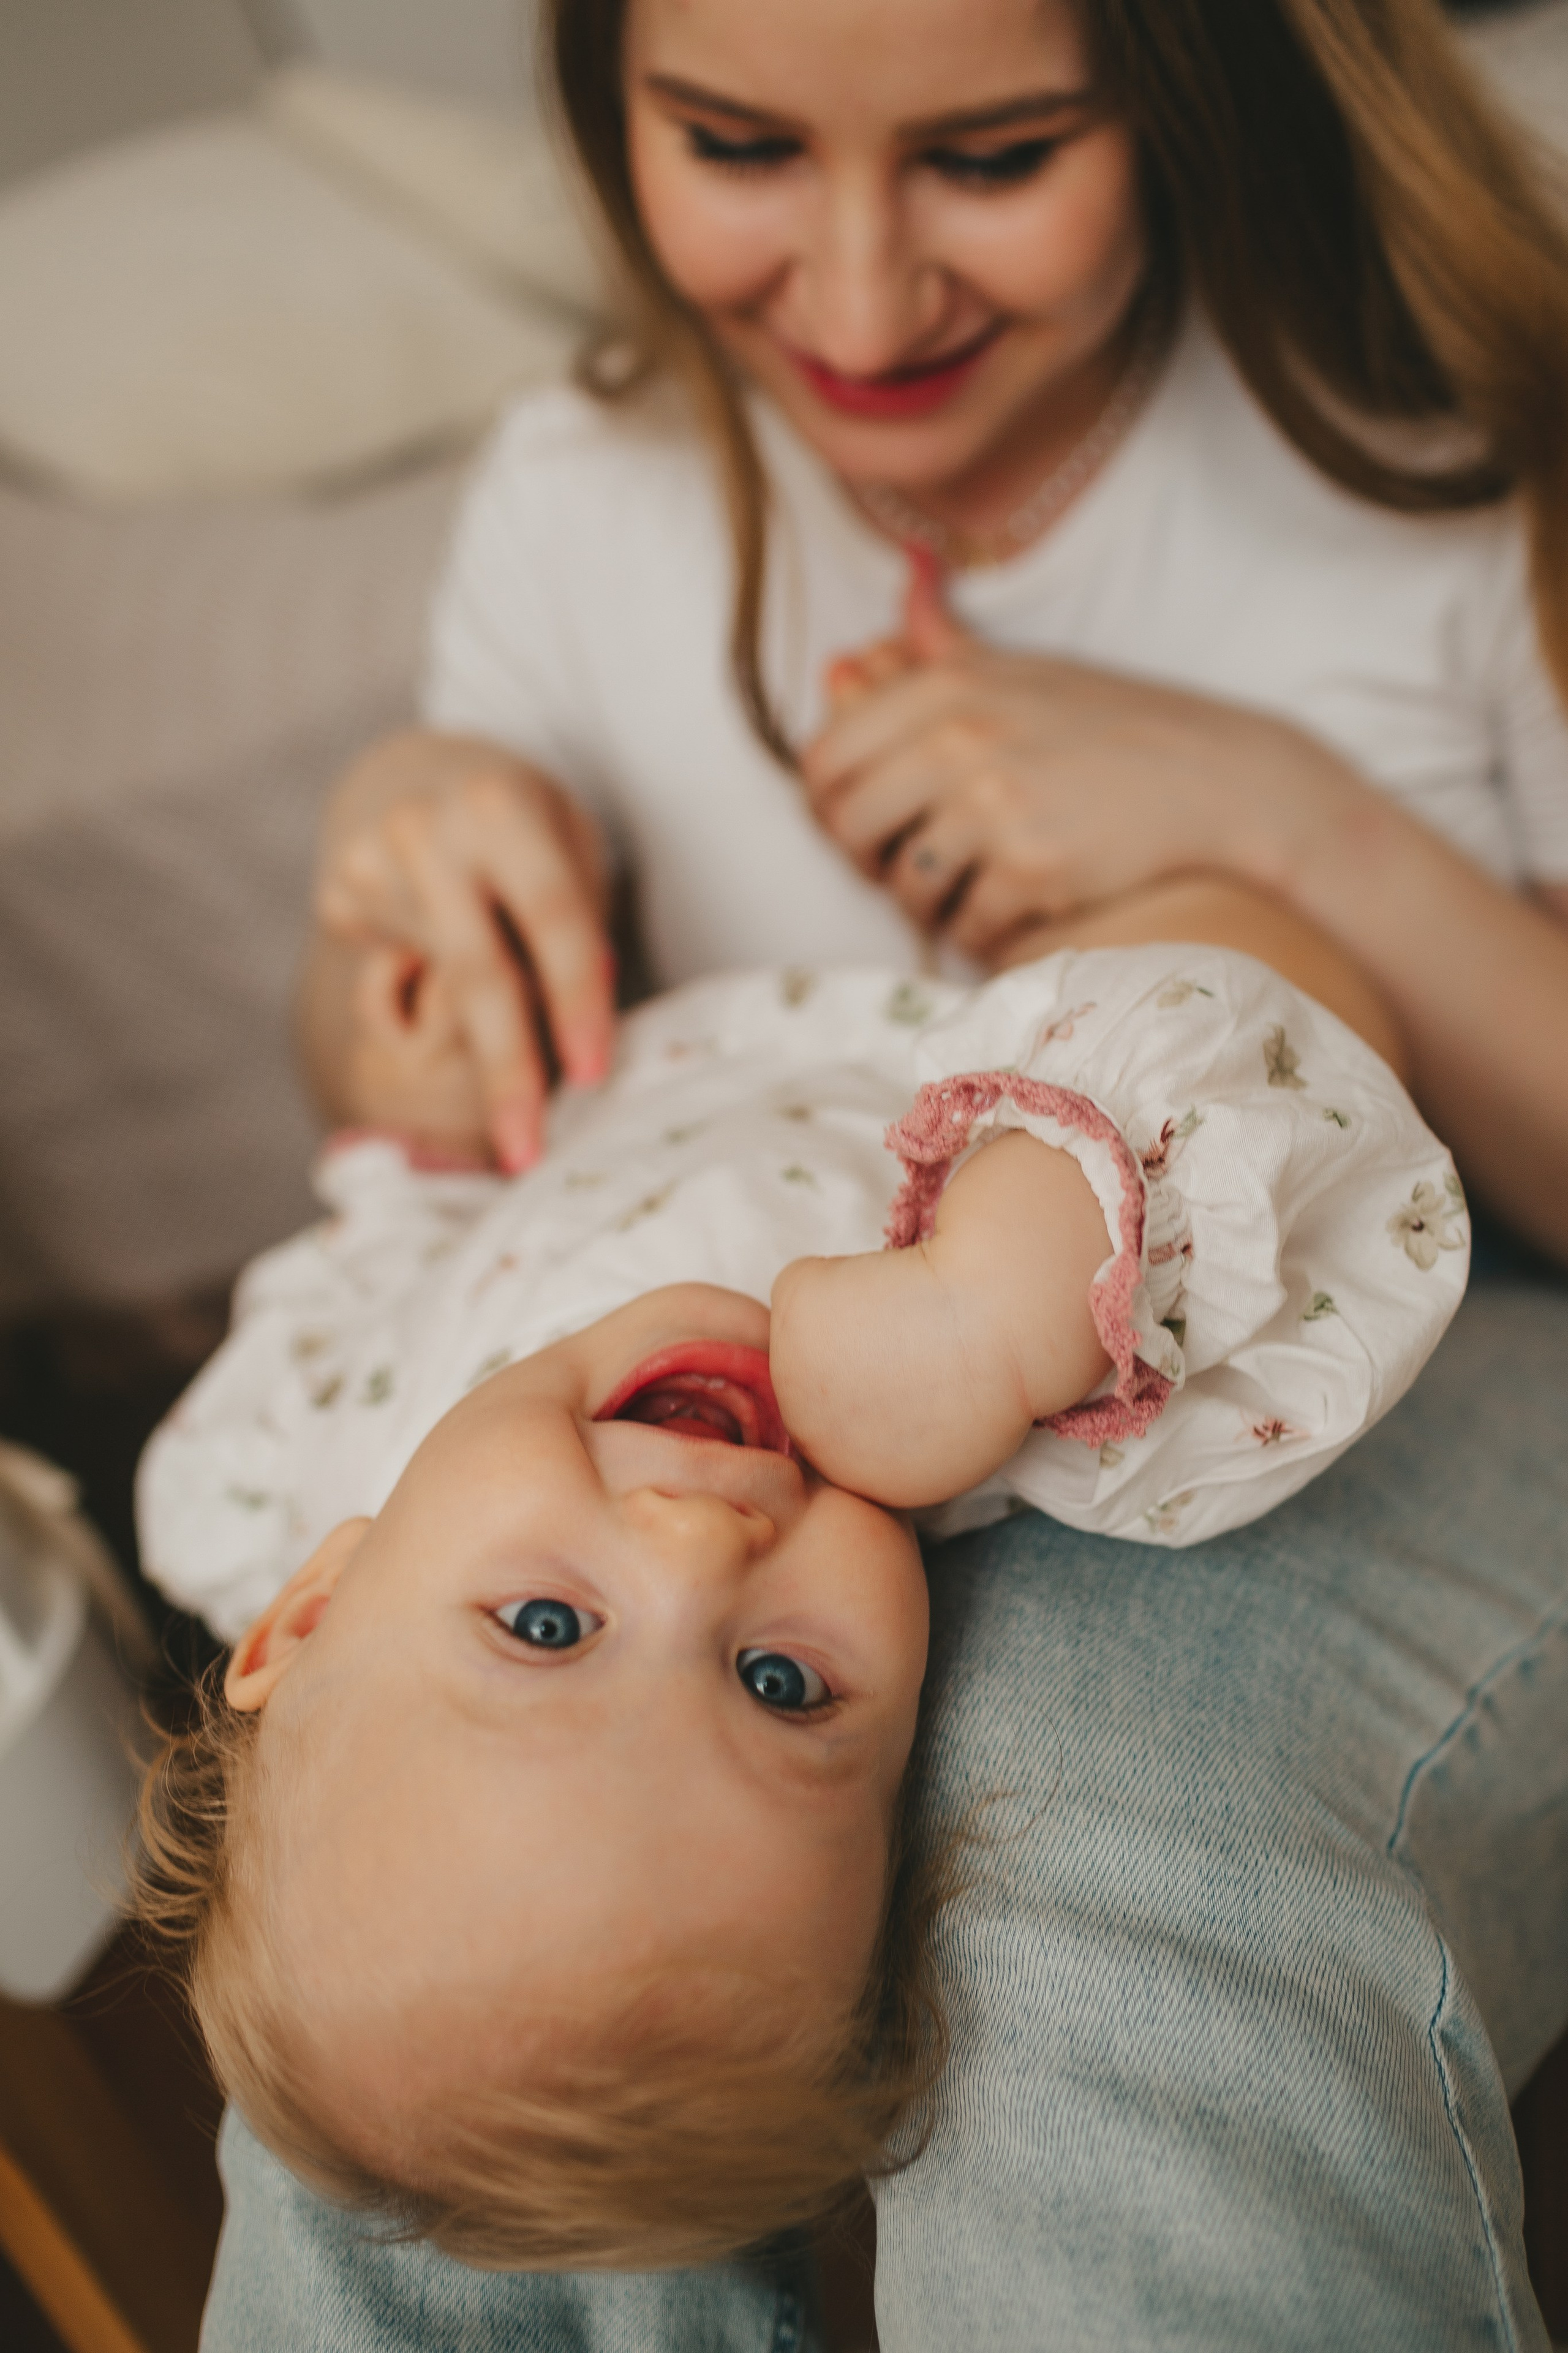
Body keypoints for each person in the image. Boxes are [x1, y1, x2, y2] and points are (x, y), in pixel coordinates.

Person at [195, 0, 1568, 2341]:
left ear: (1204, 81)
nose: (853, 299)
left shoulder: (1460, 473)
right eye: (733, 141)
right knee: (426, 2019)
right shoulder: (587, 495)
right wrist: (398, 875)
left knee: (1066, 1857)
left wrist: (1279, 824)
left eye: (998, 153)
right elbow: (415, 1125)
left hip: (1438, 1367)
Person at [134, 924, 1463, 2271]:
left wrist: (422, 1122)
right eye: (779, 1685)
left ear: (315, 1605)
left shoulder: (269, 1479)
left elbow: (373, 1255)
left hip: (618, 1026)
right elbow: (1311, 1071)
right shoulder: (1013, 1428)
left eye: (546, 1626)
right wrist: (1000, 1302)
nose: (699, 1549)